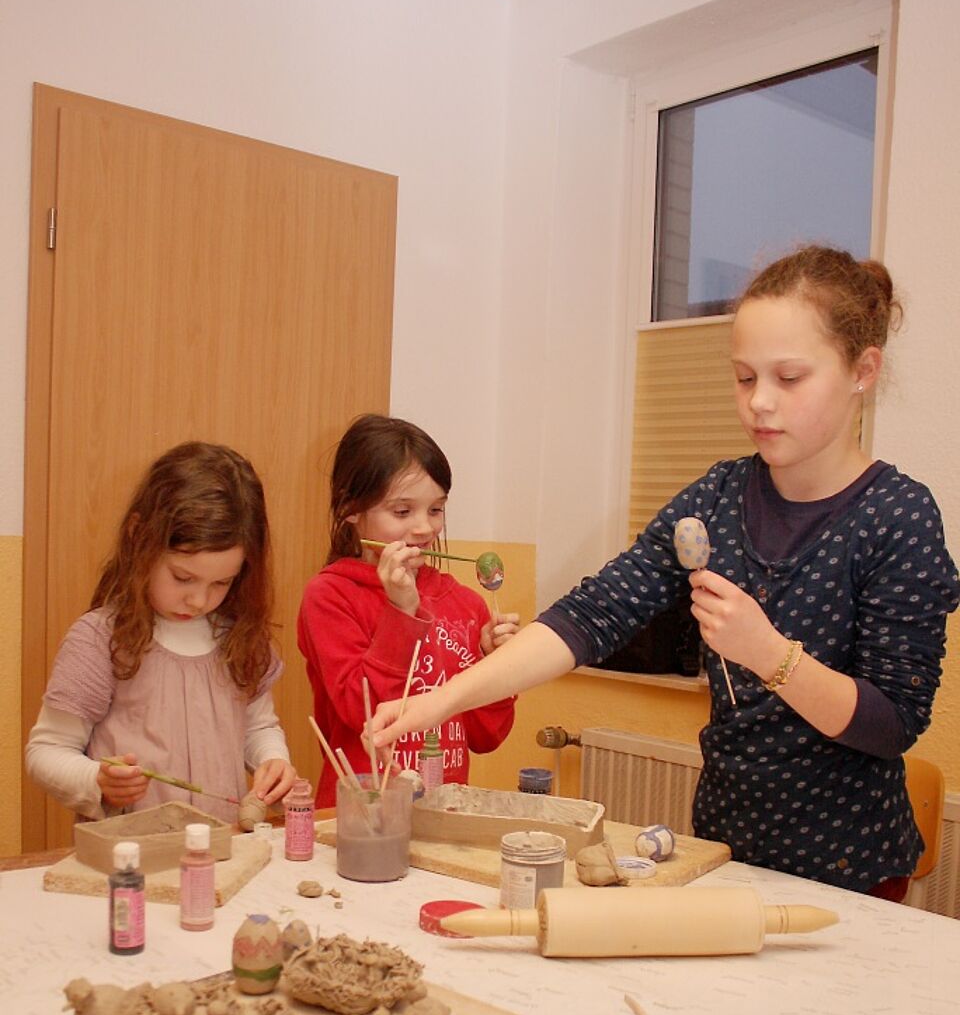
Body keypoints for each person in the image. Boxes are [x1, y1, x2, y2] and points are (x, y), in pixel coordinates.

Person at [373, 247, 960, 897]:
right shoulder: (717, 499)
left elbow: (891, 723)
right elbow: (590, 617)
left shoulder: (897, 516)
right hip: (727, 853)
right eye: (744, 378)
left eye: (790, 378)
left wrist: (769, 654)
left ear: (862, 371)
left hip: (852, 873)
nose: (760, 402)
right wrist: (439, 701)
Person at [27, 441, 297, 820]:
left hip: (220, 847)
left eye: (222, 583)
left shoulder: (238, 637)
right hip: (128, 851)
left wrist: (273, 760)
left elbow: (258, 727)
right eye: (183, 577)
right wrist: (97, 779)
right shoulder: (100, 640)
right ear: (139, 536)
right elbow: (46, 751)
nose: (199, 600)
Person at [298, 414, 519, 806]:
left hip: (442, 813)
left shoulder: (466, 604)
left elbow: (486, 738)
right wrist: (401, 611)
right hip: (362, 816)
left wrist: (496, 667)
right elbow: (362, 713)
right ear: (350, 507)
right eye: (402, 512)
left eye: (436, 509)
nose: (424, 528)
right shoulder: (330, 596)